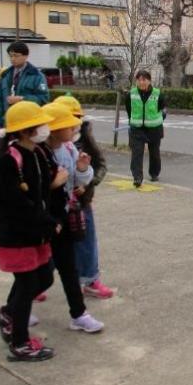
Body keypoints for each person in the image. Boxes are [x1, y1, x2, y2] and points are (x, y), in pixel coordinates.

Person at [0, 101, 58, 361]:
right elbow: (14, 206)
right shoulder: (7, 161)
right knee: (28, 283)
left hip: (35, 233)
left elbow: (42, 193)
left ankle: (8, 313)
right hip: (15, 236)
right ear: (28, 130)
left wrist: (47, 222)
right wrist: (46, 222)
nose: (46, 128)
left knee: (44, 278)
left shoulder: (36, 152)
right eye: (42, 124)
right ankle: (20, 343)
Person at [40, 102, 104, 333]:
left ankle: (79, 314)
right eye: (69, 126)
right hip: (45, 221)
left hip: (65, 217)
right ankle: (16, 310)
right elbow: (30, 189)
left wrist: (83, 169)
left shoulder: (69, 149)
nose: (74, 130)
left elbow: (79, 180)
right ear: (54, 129)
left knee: (68, 269)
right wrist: (53, 183)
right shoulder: (39, 153)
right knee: (37, 274)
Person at [54, 95, 114, 298]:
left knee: (86, 242)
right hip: (55, 207)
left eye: (76, 120)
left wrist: (88, 183)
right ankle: (35, 283)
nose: (74, 126)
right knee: (50, 246)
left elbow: (99, 165)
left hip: (81, 204)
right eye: (69, 121)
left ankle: (90, 280)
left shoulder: (83, 139)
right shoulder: (49, 145)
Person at [0, 42, 49, 135]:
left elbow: (43, 99)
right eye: (10, 56)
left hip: (28, 124)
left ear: (25, 56)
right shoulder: (5, 75)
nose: (12, 59)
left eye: (16, 56)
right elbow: (0, 100)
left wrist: (22, 99)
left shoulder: (36, 75)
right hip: (8, 123)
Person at [125, 70, 166, 188]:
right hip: (137, 128)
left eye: (144, 79)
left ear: (149, 81)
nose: (142, 82)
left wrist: (159, 120)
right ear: (136, 81)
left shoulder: (158, 94)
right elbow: (129, 109)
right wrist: (133, 120)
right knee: (136, 153)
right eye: (139, 80)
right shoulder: (131, 94)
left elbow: (163, 109)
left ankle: (154, 173)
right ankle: (137, 177)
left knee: (154, 153)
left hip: (154, 129)